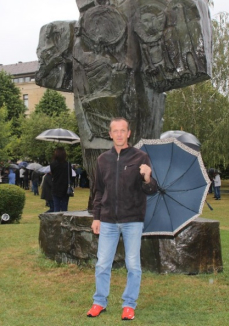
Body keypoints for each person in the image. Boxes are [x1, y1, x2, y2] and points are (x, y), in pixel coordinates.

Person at [87, 118, 158, 321]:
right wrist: (96, 217)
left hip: (132, 220)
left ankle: (129, 305)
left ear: (129, 133)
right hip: (108, 220)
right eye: (115, 131)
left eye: (123, 130)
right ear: (110, 134)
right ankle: (99, 302)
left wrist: (147, 177)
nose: (119, 134)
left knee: (133, 264)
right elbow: (98, 191)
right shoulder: (102, 160)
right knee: (102, 264)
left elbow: (151, 189)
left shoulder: (141, 157)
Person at [50, 147, 72, 212]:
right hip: (65, 188)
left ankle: (56, 221)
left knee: (56, 206)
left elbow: (53, 174)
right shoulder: (68, 164)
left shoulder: (53, 164)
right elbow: (70, 176)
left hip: (56, 187)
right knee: (64, 206)